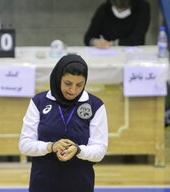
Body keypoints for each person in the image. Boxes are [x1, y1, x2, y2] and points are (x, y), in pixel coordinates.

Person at [19, 54, 108, 192]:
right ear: (58, 77)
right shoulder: (39, 102)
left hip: (80, 183)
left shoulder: (95, 105)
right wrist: (51, 146)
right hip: (43, 182)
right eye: (68, 83)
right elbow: (24, 145)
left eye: (79, 85)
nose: (73, 90)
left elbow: (99, 150)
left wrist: (78, 150)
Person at [84, 0, 150, 48]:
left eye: (123, 9)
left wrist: (114, 43)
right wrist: (94, 41)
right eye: (116, 8)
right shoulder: (104, 9)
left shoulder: (142, 7)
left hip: (132, 51)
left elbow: (138, 39)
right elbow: (88, 37)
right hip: (106, 50)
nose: (119, 12)